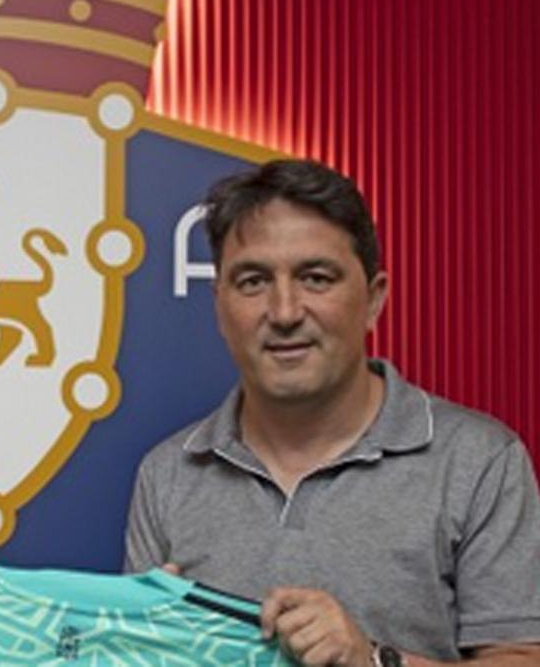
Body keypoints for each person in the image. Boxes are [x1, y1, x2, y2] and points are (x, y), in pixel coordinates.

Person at [124, 160, 540, 666]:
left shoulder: (480, 462)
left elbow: (519, 658)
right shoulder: (167, 475)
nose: (283, 312)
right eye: (253, 281)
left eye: (315, 278)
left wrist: (375, 660)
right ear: (220, 307)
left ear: (373, 299)